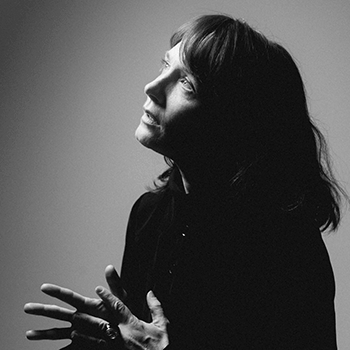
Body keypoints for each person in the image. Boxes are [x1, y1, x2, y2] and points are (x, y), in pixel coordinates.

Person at [24, 14, 347, 349]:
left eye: (187, 84)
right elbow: (139, 339)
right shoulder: (149, 215)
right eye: (165, 66)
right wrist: (108, 340)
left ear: (232, 122)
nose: (152, 88)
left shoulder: (289, 249)